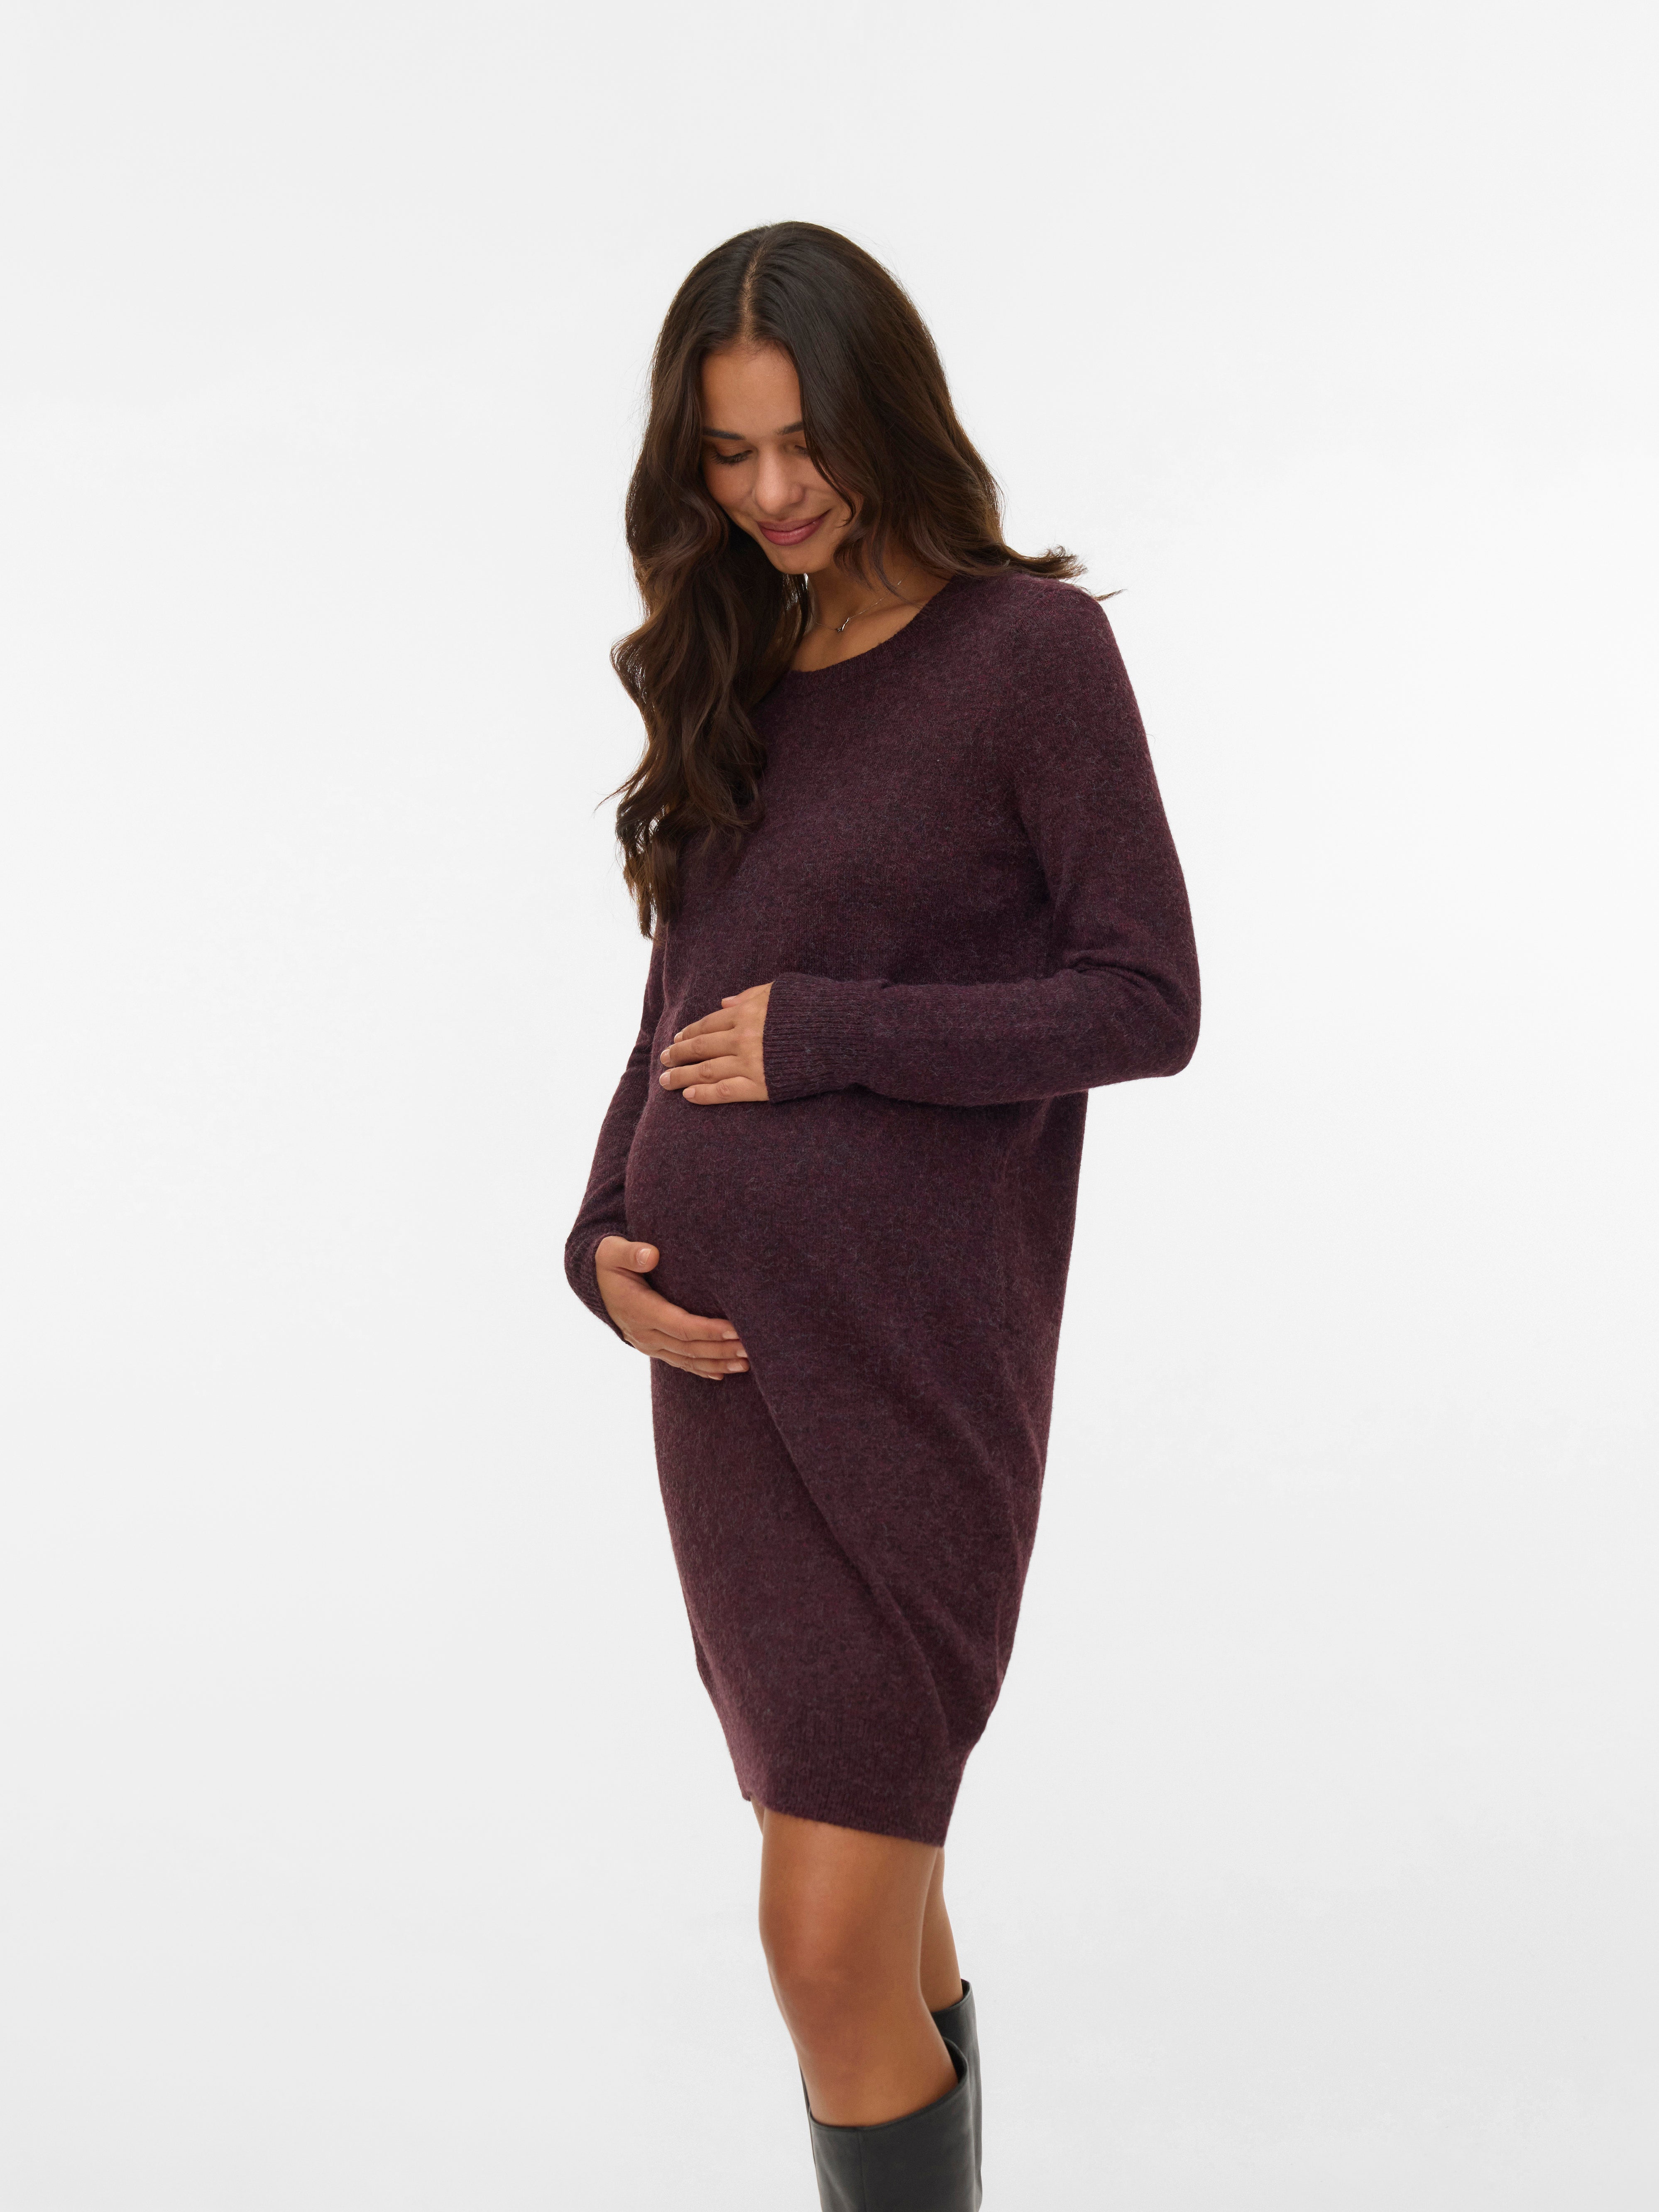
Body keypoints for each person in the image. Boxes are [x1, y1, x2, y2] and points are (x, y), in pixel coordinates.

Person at [565, 220, 1199, 2210]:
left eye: (802, 440)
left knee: (822, 1938)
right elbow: (678, 1017)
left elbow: (1146, 1001)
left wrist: (831, 1032)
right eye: (727, 453)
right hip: (729, 1399)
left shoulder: (1029, 655)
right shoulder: (742, 669)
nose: (770, 491)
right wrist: (599, 1238)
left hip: (912, 1389)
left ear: (887, 412)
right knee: (877, 1922)